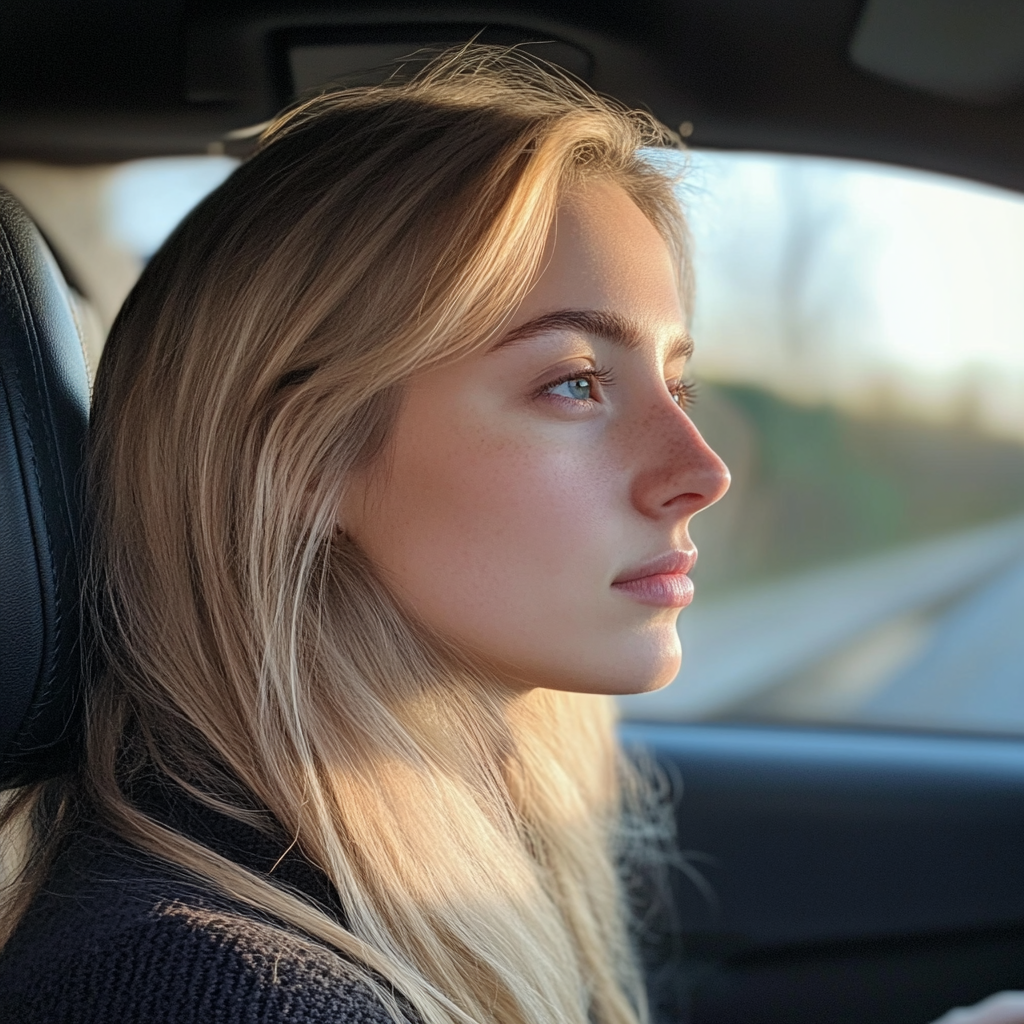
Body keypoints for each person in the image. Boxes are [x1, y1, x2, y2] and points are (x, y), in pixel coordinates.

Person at [0, 45, 1017, 1024]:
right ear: (301, 460)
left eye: (678, 383)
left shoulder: (411, 872)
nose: (701, 473)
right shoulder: (202, 987)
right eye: (573, 383)